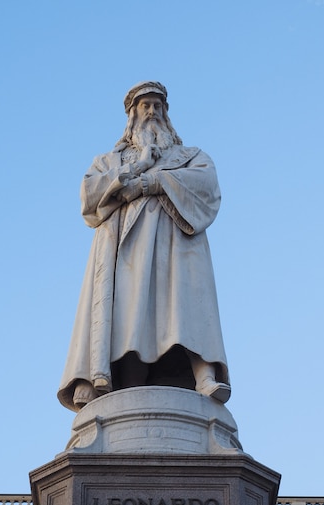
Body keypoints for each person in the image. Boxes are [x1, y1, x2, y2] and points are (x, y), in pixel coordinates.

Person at [58, 81, 231, 412]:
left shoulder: (189, 156)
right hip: (125, 248)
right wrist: (135, 169)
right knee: (130, 312)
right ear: (131, 115)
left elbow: (207, 188)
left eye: (157, 106)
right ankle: (128, 389)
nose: (152, 112)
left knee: (184, 305)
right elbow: (89, 199)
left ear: (166, 113)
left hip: (177, 244)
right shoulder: (109, 161)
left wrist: (155, 181)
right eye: (145, 106)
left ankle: (204, 372)